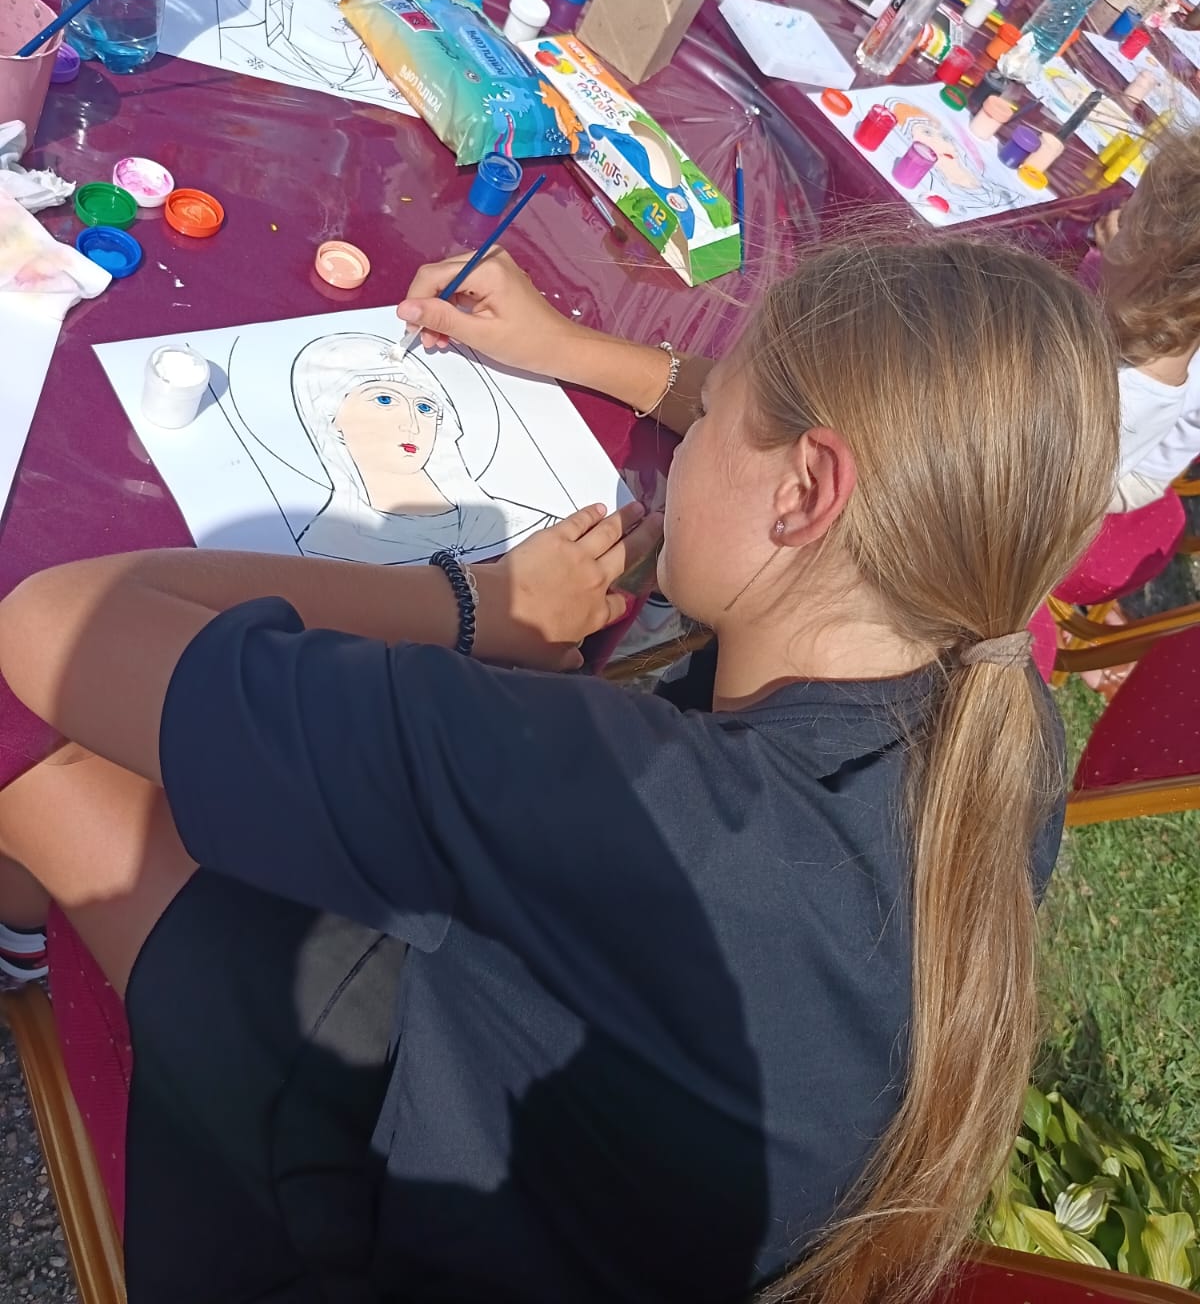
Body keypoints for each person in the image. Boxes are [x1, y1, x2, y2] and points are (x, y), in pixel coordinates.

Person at [0, 238, 1117, 1304]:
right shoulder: (993, 713)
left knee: (40, 761)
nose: (686, 438)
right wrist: (568, 350)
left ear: (807, 490)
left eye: (710, 419)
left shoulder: (629, 798)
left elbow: (54, 625)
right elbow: (788, 437)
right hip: (565, 1179)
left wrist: (475, 602)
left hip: (367, 1235)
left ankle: (19, 939)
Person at [291, 331, 553, 564]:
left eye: (425, 407)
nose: (412, 424)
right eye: (384, 400)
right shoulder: (325, 551)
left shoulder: (523, 525)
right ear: (330, 418)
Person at [1091, 129, 1200, 509]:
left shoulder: (1128, 393)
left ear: (1159, 260)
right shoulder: (1179, 311)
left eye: (1129, 221)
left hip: (1122, 479)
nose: (1116, 220)